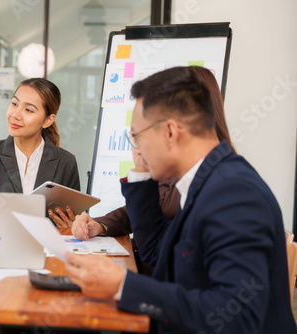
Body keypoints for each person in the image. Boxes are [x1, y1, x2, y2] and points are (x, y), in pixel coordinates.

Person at [64, 66, 297, 333]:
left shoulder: (233, 194)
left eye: (137, 136)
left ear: (171, 132)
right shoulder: (205, 181)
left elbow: (236, 318)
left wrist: (124, 286)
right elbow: (158, 253)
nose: (135, 148)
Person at [68, 66, 236, 240]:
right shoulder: (193, 167)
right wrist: (100, 225)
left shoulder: (223, 187)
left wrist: (143, 175)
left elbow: (157, 210)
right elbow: (152, 234)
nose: (138, 145)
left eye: (140, 135)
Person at [0, 78, 80, 219]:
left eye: (28, 110)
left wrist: (71, 225)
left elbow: (74, 221)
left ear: (48, 120)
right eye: (14, 104)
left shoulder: (66, 162)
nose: (15, 114)